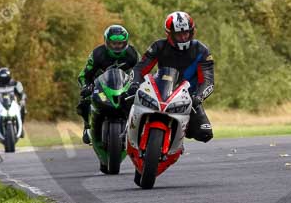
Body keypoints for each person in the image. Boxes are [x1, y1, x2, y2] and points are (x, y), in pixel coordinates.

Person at [132, 11, 214, 142]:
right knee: (128, 98)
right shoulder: (158, 46)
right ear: (169, 34)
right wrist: (135, 83)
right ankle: (125, 132)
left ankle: (178, 133)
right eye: (178, 34)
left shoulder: (202, 50)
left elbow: (208, 81)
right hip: (160, 92)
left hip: (188, 98)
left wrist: (199, 96)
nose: (183, 37)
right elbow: (140, 69)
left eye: (185, 33)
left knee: (205, 133)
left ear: (192, 32)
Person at [77, 25, 140, 144]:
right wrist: (86, 86)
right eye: (114, 43)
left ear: (125, 42)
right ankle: (87, 126)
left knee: (141, 100)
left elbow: (141, 72)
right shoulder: (97, 54)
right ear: (107, 42)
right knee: (84, 100)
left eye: (120, 43)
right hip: (101, 87)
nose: (117, 46)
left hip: (124, 87)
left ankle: (138, 129)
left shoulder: (133, 54)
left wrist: (138, 84)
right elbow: (84, 75)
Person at [0, 67, 27, 137]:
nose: (4, 80)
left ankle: (21, 127)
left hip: (13, 103)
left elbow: (22, 93)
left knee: (23, 109)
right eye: (2, 78)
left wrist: (22, 100)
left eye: (5, 77)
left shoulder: (16, 84)